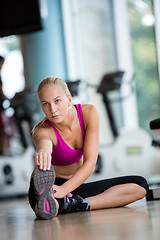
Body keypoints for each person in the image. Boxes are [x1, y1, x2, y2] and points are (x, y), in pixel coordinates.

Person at [28, 76, 149, 220]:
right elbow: (44, 143)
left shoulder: (88, 113)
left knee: (140, 185)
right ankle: (50, 204)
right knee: (49, 208)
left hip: (73, 186)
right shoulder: (43, 131)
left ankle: (78, 203)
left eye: (57, 101)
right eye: (45, 104)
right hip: (51, 188)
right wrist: (43, 152)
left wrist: (65, 190)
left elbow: (90, 163)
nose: (52, 109)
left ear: (69, 99)